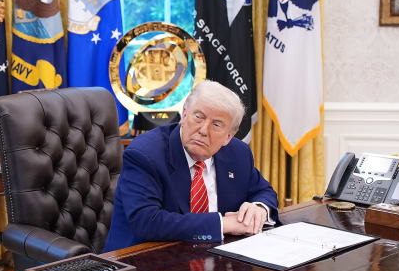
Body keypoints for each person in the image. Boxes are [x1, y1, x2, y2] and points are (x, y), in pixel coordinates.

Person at [103, 81, 280, 252]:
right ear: (185, 114)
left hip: (217, 260)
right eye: (199, 117)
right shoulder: (145, 154)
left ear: (228, 137)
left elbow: (264, 191)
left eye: (216, 125)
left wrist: (259, 208)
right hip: (143, 263)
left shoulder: (238, 153)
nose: (203, 130)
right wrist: (222, 224)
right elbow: (147, 222)